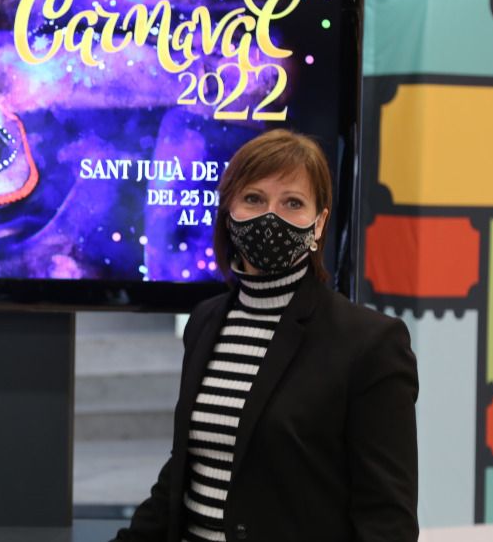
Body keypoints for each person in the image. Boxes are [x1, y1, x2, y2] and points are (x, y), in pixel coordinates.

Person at [113, 129, 418, 542]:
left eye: (292, 203)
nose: (269, 216)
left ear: (319, 222)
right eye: (253, 198)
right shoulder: (205, 321)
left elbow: (387, 520)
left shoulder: (370, 343)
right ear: (229, 211)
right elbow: (185, 474)